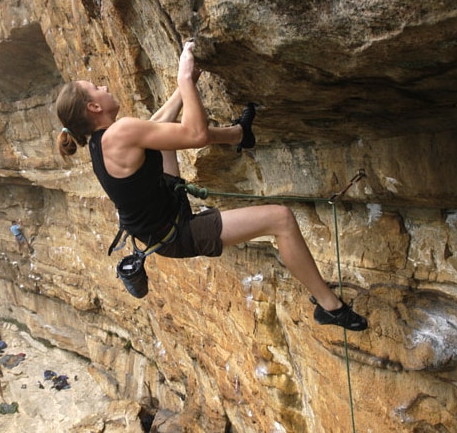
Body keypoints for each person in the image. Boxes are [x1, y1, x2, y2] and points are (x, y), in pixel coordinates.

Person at [54, 41, 367, 331]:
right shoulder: (119, 133)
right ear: (94, 108)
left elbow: (158, 125)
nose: (104, 87)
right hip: (176, 232)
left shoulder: (101, 141)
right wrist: (185, 79)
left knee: (159, 133)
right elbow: (196, 135)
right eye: (97, 88)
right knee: (281, 219)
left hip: (159, 217)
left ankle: (239, 134)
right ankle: (330, 308)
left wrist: (187, 83)